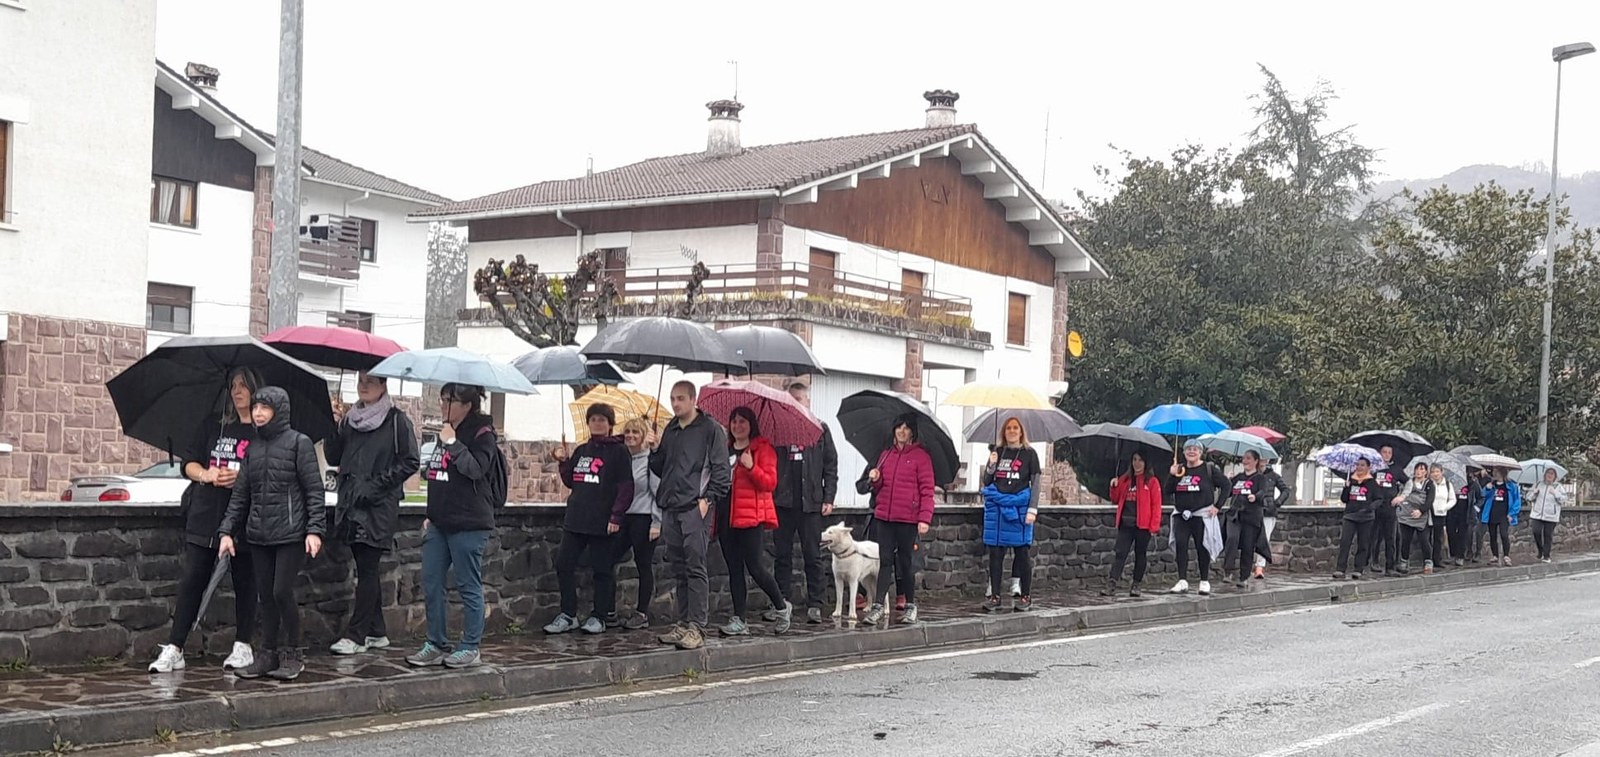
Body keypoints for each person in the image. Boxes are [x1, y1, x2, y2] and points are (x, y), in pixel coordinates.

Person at [150, 367, 262, 674]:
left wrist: (242, 477)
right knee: (191, 581)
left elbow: (271, 472)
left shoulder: (262, 433)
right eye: (233, 386)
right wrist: (207, 474)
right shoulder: (214, 425)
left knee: (245, 582)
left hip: (243, 518)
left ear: (255, 390)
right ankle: (175, 647)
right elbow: (189, 463)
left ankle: (243, 645)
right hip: (205, 514)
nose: (238, 391)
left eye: (244, 386)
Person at [217, 387, 325, 681]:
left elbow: (314, 490)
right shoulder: (252, 449)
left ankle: (292, 653)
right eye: (255, 408)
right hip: (259, 534)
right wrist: (227, 531)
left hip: (290, 534)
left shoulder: (298, 443)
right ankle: (267, 653)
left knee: (281, 592)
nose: (258, 413)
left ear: (279, 410)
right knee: (265, 596)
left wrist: (314, 529)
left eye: (265, 408)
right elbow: (240, 496)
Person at [407, 383, 504, 669]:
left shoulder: (482, 434)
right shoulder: (445, 433)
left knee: (467, 584)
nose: (444, 405)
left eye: (451, 400)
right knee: (432, 581)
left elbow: (475, 469)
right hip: (440, 521)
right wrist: (430, 513)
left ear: (468, 405)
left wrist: (452, 442)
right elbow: (438, 476)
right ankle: (435, 642)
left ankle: (471, 646)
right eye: (443, 398)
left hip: (469, 522)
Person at [325, 372, 420, 656]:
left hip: (378, 507)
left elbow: (410, 461)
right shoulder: (349, 421)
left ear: (383, 385)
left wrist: (375, 485)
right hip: (351, 504)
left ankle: (356, 635)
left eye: (370, 381)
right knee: (365, 567)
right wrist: (332, 427)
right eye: (361, 381)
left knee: (367, 567)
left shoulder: (396, 421)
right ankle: (376, 631)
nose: (363, 386)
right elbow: (334, 457)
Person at [650, 381, 731, 652]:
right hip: (671, 505)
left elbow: (721, 470)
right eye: (672, 399)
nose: (675, 404)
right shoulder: (672, 429)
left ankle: (697, 626)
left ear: (693, 399)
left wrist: (707, 500)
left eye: (681, 398)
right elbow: (663, 468)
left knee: (696, 566)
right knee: (679, 568)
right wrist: (654, 450)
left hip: (694, 507)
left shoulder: (710, 429)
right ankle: (684, 622)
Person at [546, 403, 634, 635]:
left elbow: (626, 487)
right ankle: (568, 614)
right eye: (593, 419)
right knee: (564, 564)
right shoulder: (582, 450)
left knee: (602, 569)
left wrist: (616, 515)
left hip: (602, 520)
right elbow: (572, 480)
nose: (597, 423)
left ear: (610, 424)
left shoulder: (619, 451)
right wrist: (563, 461)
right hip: (576, 519)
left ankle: (600, 616)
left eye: (602, 420)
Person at [716, 406, 791, 636]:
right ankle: (739, 619)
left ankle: (781, 607)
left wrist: (750, 466)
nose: (737, 426)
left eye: (742, 421)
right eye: (734, 421)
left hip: (751, 517)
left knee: (756, 567)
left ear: (751, 424)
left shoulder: (762, 449)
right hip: (726, 515)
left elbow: (769, 483)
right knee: (734, 569)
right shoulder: (725, 450)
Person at [770, 379, 838, 626]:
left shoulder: (820, 429)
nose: (795, 405)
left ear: (807, 402)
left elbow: (830, 465)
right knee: (782, 555)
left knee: (813, 555)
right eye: (791, 401)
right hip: (784, 502)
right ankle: (782, 602)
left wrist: (828, 496)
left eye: (799, 401)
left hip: (811, 503)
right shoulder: (778, 431)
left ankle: (816, 605)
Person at [863, 415, 936, 625]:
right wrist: (875, 479)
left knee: (906, 564)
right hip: (885, 516)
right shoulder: (886, 455)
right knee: (884, 561)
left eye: (906, 428)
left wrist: (924, 518)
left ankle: (911, 605)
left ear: (912, 432)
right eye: (898, 427)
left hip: (908, 518)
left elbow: (927, 490)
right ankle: (877, 606)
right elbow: (879, 488)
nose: (902, 431)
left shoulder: (921, 457)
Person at [980, 417, 1040, 612]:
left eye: (1015, 428)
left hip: (1019, 508)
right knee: (995, 554)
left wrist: (1032, 509)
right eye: (1008, 428)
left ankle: (1026, 596)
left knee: (1022, 553)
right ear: (1004, 432)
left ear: (1021, 431)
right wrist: (991, 464)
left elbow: (1036, 483)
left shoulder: (1030, 454)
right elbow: (987, 480)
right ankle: (996, 596)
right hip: (997, 509)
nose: (1012, 431)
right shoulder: (997, 452)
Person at [611, 417, 662, 630]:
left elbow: (658, 491)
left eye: (636, 432)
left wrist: (657, 522)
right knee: (608, 558)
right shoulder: (622, 458)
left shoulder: (650, 459)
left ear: (643, 436)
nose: (630, 436)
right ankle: (608, 610)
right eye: (628, 432)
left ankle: (642, 613)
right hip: (624, 517)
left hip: (643, 517)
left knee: (643, 564)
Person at [1166, 440, 1229, 596]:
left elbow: (1227, 485)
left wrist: (1217, 506)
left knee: (1203, 547)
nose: (1191, 452)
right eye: (1188, 449)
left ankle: (1204, 581)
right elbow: (1167, 490)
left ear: (1200, 452)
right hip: (1182, 515)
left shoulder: (1208, 469)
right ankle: (1182, 580)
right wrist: (1172, 475)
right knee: (1181, 545)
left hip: (1201, 515)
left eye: (1195, 449)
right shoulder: (1179, 469)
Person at [1102, 452, 1163, 597]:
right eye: (1135, 460)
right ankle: (1112, 583)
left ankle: (1136, 584)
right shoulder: (1126, 479)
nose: (1137, 463)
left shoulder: (1152, 482)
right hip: (1126, 523)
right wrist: (1114, 486)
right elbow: (1115, 499)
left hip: (1143, 525)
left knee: (1140, 554)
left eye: (1140, 460)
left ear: (1146, 463)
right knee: (1120, 553)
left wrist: (1154, 526)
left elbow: (1156, 505)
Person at [1223, 450, 1273, 588]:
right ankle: (1228, 571)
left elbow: (1263, 492)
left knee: (1247, 545)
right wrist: (1228, 481)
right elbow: (1226, 493)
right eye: (1244, 458)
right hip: (1235, 515)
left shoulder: (1260, 478)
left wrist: (1255, 497)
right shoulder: (1238, 477)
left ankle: (1244, 576)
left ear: (1256, 461)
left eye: (1248, 458)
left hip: (1251, 517)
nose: (1245, 461)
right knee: (1232, 539)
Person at [1334, 458, 1378, 579]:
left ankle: (1358, 568)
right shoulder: (1351, 480)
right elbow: (1344, 499)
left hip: (1366, 517)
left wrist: (1370, 507)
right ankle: (1340, 569)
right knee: (1345, 542)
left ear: (1368, 468)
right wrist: (1346, 488)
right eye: (1357, 465)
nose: (1359, 467)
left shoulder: (1372, 483)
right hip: (1350, 516)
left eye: (1362, 465)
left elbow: (1379, 499)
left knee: (1363, 543)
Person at [1370, 445, 1404, 576]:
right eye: (1384, 452)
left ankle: (1390, 566)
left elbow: (1409, 482)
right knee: (1374, 537)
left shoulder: (1396, 469)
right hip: (1375, 507)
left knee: (1391, 538)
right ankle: (1374, 562)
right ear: (1380, 453)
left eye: (1389, 452)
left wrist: (1401, 496)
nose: (1387, 454)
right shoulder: (1373, 468)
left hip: (1390, 507)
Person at [1394, 462, 1433, 574]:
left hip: (1421, 516)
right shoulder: (1408, 483)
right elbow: (1402, 494)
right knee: (1405, 540)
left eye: (1421, 469)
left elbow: (1430, 500)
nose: (1418, 472)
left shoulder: (1429, 484)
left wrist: (1421, 511)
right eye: (1417, 469)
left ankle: (1428, 562)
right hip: (1406, 515)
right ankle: (1404, 561)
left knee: (1424, 540)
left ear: (1426, 472)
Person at [1480, 467, 1520, 566]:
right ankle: (1495, 555)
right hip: (1492, 513)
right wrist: (1487, 489)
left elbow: (1517, 501)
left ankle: (1506, 555)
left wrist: (1512, 514)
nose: (1495, 474)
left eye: (1497, 472)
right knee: (1492, 535)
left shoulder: (1511, 486)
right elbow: (1482, 495)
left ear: (1503, 473)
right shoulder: (1491, 485)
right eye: (1494, 472)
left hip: (1504, 515)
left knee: (1504, 534)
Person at [1528, 468, 1565, 563]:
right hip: (1537, 514)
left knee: (1547, 535)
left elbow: (1563, 500)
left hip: (1551, 516)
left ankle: (1546, 555)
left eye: (1552, 474)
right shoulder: (1538, 484)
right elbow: (1528, 497)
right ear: (1545, 475)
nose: (1550, 475)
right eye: (1548, 473)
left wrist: (1555, 493)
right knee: (1536, 532)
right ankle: (1541, 550)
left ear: (1555, 476)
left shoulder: (1558, 487)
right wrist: (1534, 493)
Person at [1447, 467, 1481, 566]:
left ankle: (1460, 556)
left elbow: (1481, 497)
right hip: (1452, 511)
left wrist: (1476, 508)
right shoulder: (1451, 482)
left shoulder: (1473, 484)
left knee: (1462, 535)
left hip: (1465, 513)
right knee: (1451, 534)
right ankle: (1453, 554)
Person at [1425, 465, 1455, 570]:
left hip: (1441, 513)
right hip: (1428, 512)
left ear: (1442, 472)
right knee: (1427, 537)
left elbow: (1452, 499)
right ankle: (1427, 559)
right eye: (1433, 472)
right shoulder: (1427, 484)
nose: (1435, 474)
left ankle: (1437, 559)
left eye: (1437, 471)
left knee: (1438, 538)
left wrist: (1445, 507)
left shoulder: (1447, 484)